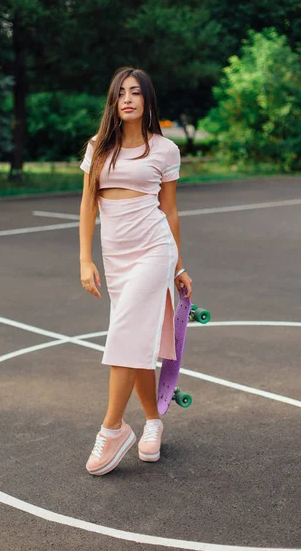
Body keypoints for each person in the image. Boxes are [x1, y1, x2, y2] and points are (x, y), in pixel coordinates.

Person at [79, 66, 192, 476]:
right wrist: (85, 259)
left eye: (136, 92)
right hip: (115, 255)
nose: (127, 98)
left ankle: (112, 429)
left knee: (125, 332)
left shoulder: (164, 149)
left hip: (153, 249)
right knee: (137, 338)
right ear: (114, 100)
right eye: (121, 92)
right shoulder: (98, 146)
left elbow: (171, 210)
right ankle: (154, 422)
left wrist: (179, 265)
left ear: (146, 100)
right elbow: (88, 203)